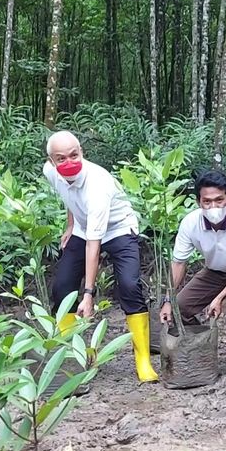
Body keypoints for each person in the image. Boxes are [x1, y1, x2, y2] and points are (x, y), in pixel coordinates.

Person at [42, 130, 158, 383]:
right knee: (61, 288)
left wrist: (88, 294)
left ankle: (143, 359)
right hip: (84, 229)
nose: (69, 161)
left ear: (82, 151)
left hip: (118, 229)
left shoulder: (98, 184)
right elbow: (69, 198)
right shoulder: (50, 172)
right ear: (52, 161)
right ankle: (73, 356)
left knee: (129, 285)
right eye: (61, 158)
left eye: (74, 154)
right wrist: (70, 225)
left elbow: (94, 247)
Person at [160, 170, 226, 378]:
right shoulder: (190, 224)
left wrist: (220, 298)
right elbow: (178, 262)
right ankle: (202, 345)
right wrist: (168, 299)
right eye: (207, 201)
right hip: (215, 270)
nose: (213, 207)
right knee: (179, 306)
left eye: (219, 200)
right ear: (198, 202)